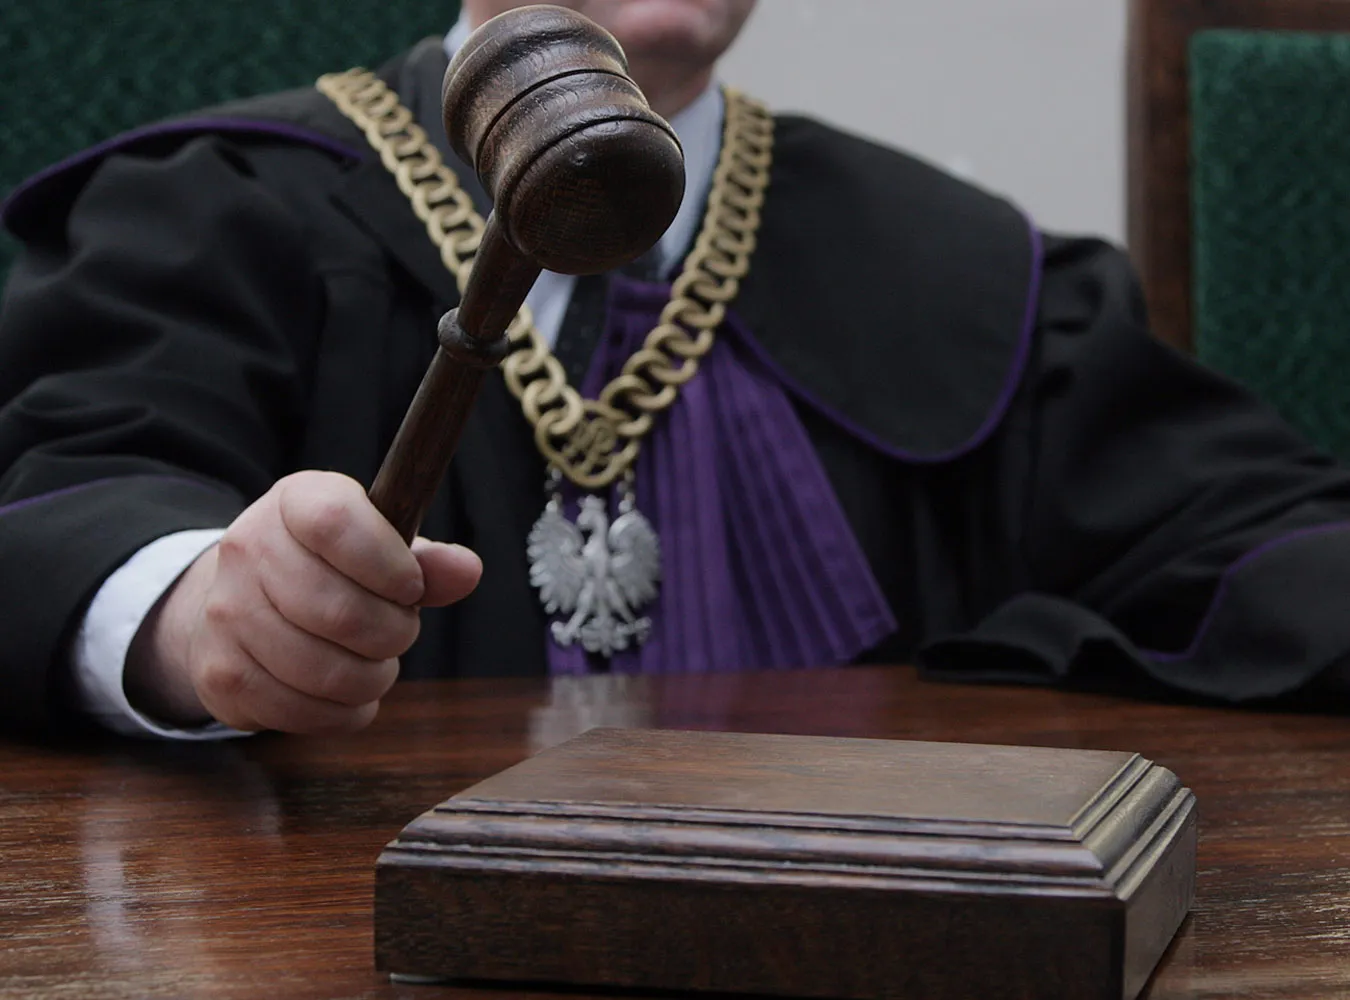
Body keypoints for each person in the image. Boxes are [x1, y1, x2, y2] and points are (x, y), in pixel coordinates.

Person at [2, 0, 1349, 740]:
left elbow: (1241, 531)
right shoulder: (212, 208)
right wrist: (194, 618)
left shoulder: (957, 260)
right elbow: (72, 493)